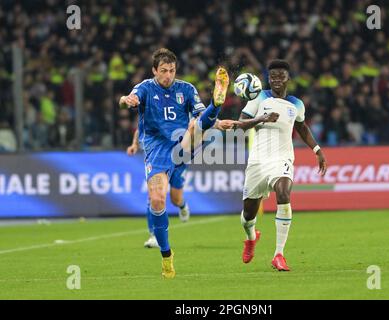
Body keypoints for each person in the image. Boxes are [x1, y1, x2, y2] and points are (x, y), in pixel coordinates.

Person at [119, 48, 234, 279]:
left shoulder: (186, 89)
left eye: (172, 70)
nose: (168, 75)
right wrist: (125, 100)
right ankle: (166, 255)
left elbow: (199, 114)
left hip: (182, 144)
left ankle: (217, 103)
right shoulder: (145, 88)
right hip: (157, 150)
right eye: (163, 71)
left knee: (195, 125)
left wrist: (214, 120)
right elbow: (127, 101)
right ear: (154, 71)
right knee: (159, 200)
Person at [234, 59, 327, 271]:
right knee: (248, 214)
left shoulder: (297, 104)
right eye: (273, 76)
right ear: (268, 79)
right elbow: (239, 125)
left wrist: (317, 150)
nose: (276, 79)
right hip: (258, 161)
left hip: (282, 158)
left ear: (288, 79)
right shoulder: (258, 97)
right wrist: (262, 118)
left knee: (284, 193)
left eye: (281, 76)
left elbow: (302, 128)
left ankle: (279, 254)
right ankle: (251, 237)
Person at [126, 128, 190, 249]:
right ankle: (153, 236)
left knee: (175, 199)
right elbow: (141, 129)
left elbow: (198, 122)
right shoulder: (152, 113)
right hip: (158, 162)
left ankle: (182, 205)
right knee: (153, 197)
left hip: (178, 162)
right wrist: (135, 144)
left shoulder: (181, 112)